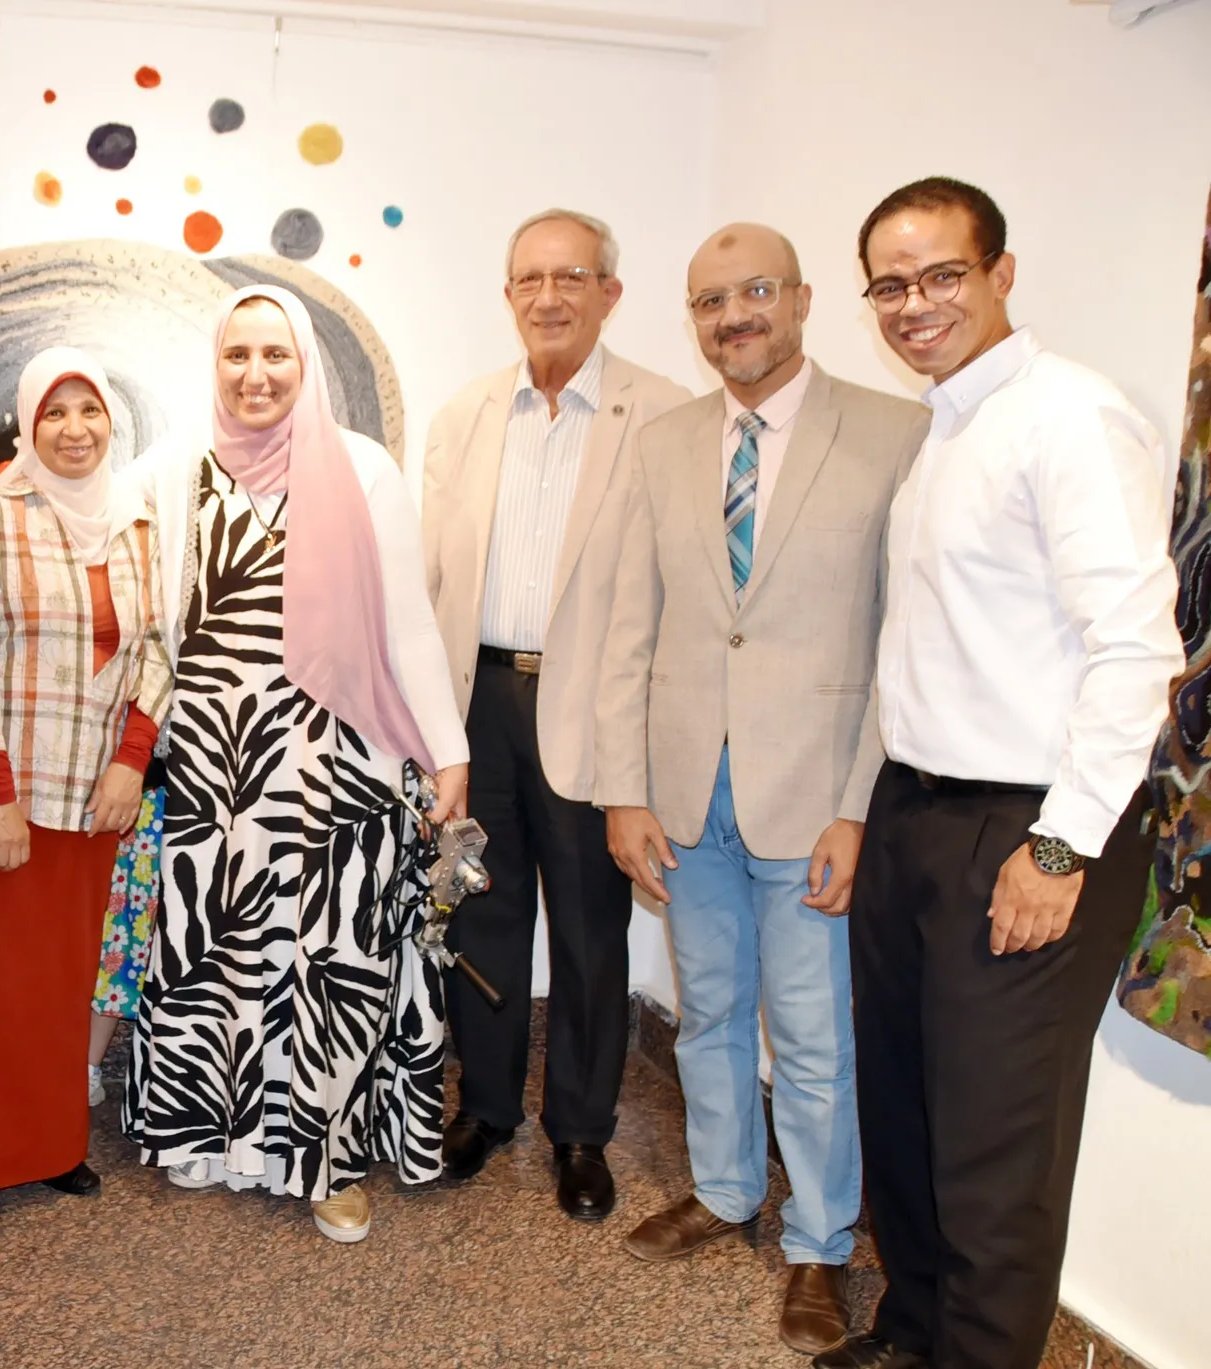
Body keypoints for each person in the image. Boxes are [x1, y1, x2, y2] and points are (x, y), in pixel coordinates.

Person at [821, 178, 1183, 1369]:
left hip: (1027, 827)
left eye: (941, 275)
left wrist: (1059, 846)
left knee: (992, 1151)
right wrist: (868, 811)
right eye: (889, 284)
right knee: (907, 1110)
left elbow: (1133, 653)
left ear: (999, 274)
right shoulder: (943, 431)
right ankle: (912, 1335)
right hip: (916, 811)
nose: (912, 304)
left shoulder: (1068, 416)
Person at [596, 224, 929, 1356]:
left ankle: (820, 1242)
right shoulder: (664, 444)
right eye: (708, 301)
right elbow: (632, 627)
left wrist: (858, 805)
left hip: (816, 798)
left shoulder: (893, 433)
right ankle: (727, 1188)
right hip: (687, 795)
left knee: (815, 1039)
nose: (732, 316)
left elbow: (900, 641)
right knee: (708, 1014)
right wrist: (623, 790)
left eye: (754, 292)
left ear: (800, 298)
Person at [124, 285, 470, 1244]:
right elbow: (106, 549)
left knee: (329, 960)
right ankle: (205, 1134)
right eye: (237, 354)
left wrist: (449, 750)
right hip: (214, 764)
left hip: (338, 761)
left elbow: (408, 621)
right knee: (216, 947)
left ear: (306, 362)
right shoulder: (176, 469)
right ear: (216, 363)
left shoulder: (362, 468)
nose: (256, 374)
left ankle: (331, 1160)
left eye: (275, 354)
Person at [421, 210, 691, 1216]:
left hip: (594, 704)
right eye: (529, 279)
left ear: (609, 293)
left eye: (570, 276)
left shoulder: (663, 416)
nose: (548, 297)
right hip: (478, 704)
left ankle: (580, 1130)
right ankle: (486, 1106)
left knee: (588, 930)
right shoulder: (465, 415)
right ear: (507, 296)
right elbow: (429, 581)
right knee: (478, 912)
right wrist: (429, 731)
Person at [0, 348, 170, 1242]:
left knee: (57, 984)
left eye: (90, 411)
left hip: (92, 798)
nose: (75, 430)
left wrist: (132, 761)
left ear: (112, 421)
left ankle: (49, 1143)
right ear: (28, 423)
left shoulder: (139, 523)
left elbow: (160, 649)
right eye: (55, 412)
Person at [88, 764, 163, 1105]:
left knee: (127, 942)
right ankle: (88, 1068)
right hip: (142, 803)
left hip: (174, 807)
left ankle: (91, 1069)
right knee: (119, 943)